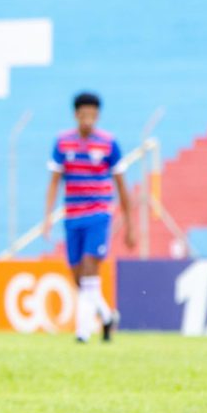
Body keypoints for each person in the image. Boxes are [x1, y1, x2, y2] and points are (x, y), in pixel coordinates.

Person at [42, 92, 134, 343]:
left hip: (99, 213)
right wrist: (48, 217)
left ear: (98, 116)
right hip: (72, 215)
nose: (88, 120)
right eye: (84, 115)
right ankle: (106, 316)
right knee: (77, 274)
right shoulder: (63, 143)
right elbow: (53, 183)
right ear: (76, 115)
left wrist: (130, 224)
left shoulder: (108, 143)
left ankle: (82, 332)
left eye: (92, 115)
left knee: (90, 267)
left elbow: (122, 185)